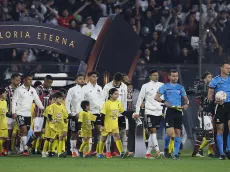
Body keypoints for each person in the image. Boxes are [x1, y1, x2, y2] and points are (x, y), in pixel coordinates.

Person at [155, 69, 189, 160]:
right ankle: (166, 149)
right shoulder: (165, 86)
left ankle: (176, 153)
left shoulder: (180, 87)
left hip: (178, 111)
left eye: (176, 76)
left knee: (178, 133)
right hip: (169, 111)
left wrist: (186, 104)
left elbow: (186, 99)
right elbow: (156, 97)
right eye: (173, 76)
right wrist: (164, 101)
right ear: (169, 77)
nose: (175, 78)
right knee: (169, 133)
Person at [12, 73, 44, 156]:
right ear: (24, 80)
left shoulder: (33, 90)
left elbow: (37, 100)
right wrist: (13, 112)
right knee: (24, 130)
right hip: (19, 113)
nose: (30, 81)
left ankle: (21, 150)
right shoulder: (18, 90)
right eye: (29, 79)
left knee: (24, 133)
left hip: (28, 114)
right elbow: (14, 101)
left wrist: (42, 108)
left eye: (31, 79)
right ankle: (25, 149)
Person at [135, 69, 164, 159]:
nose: (156, 76)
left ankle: (147, 153)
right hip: (149, 111)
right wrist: (137, 112)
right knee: (153, 131)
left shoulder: (162, 85)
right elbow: (140, 99)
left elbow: (164, 98)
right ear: (150, 76)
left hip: (159, 111)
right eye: (154, 75)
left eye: (157, 75)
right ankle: (158, 151)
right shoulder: (145, 86)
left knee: (153, 134)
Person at [208, 61, 230, 160]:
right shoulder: (215, 80)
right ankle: (221, 153)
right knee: (220, 130)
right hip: (220, 106)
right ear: (221, 69)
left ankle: (228, 150)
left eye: (229, 68)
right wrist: (214, 101)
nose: (228, 70)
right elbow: (210, 95)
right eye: (227, 68)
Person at [102, 72, 128, 158]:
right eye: (115, 82)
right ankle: (108, 151)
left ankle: (121, 151)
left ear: (121, 81)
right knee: (108, 133)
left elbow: (124, 100)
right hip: (109, 114)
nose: (116, 83)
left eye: (118, 82)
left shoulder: (124, 87)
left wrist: (125, 112)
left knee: (121, 132)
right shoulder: (107, 86)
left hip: (120, 113)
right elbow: (103, 99)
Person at [192, 72, 216, 158]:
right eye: (209, 77)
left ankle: (195, 153)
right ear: (204, 78)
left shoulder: (211, 87)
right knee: (210, 132)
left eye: (211, 77)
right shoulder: (201, 86)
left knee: (202, 134)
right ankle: (216, 153)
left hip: (209, 112)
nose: (211, 78)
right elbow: (198, 100)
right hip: (203, 113)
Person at [27, 75, 53, 153]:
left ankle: (37, 149)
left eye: (51, 83)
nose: (49, 84)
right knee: (37, 132)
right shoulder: (38, 89)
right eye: (48, 82)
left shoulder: (50, 89)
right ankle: (28, 143)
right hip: (39, 114)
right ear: (44, 80)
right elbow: (33, 99)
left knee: (44, 132)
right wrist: (43, 95)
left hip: (47, 114)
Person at [98, 88, 126, 159]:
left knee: (117, 137)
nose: (117, 95)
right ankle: (100, 153)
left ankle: (121, 153)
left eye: (118, 94)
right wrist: (102, 125)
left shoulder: (118, 102)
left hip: (114, 124)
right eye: (115, 94)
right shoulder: (106, 103)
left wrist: (131, 114)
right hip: (107, 124)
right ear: (111, 95)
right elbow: (102, 115)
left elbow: (122, 112)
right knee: (103, 139)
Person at [81, 71, 104, 155]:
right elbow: (82, 100)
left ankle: (98, 151)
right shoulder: (85, 88)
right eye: (93, 76)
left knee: (100, 131)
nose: (95, 78)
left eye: (96, 77)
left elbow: (102, 100)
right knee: (88, 132)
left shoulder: (99, 88)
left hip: (97, 113)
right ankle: (86, 151)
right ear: (89, 77)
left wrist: (102, 110)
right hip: (88, 113)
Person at [65, 74, 85, 157]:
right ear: (76, 80)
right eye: (80, 79)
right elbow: (67, 101)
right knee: (74, 133)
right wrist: (69, 113)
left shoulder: (86, 89)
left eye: (83, 79)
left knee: (83, 133)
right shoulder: (72, 90)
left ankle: (82, 150)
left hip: (84, 115)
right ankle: (72, 150)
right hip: (74, 114)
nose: (82, 80)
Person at [3, 73, 21, 155]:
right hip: (9, 116)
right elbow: (4, 102)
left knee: (19, 133)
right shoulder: (7, 90)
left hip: (19, 115)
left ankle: (17, 148)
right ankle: (7, 149)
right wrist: (7, 113)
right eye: (17, 80)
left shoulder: (21, 89)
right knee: (8, 134)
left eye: (19, 80)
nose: (18, 81)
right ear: (12, 80)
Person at [47, 92, 68, 157]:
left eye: (61, 99)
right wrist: (51, 120)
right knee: (53, 138)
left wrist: (65, 122)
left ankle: (59, 153)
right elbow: (49, 115)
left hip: (61, 125)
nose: (60, 100)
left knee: (61, 138)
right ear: (55, 98)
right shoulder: (52, 106)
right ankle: (50, 151)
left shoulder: (63, 106)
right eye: (59, 98)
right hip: (54, 125)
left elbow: (65, 116)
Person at [0, 89, 9, 155]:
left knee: (5, 138)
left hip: (4, 122)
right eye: (5, 93)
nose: (6, 94)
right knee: (0, 137)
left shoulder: (5, 102)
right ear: (1, 94)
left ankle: (3, 150)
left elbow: (6, 113)